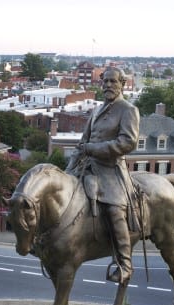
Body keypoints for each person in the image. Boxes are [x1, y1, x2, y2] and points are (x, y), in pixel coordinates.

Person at [65, 66, 139, 283]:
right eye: (105, 81)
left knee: (115, 210)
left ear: (122, 84)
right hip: (87, 166)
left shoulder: (128, 110)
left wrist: (93, 150)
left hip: (111, 170)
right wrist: (69, 170)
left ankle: (124, 264)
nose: (107, 85)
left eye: (112, 82)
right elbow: (82, 142)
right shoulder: (97, 110)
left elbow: (128, 142)